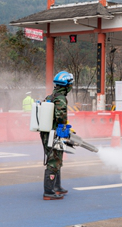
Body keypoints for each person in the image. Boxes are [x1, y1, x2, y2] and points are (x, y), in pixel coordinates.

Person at [40, 71, 73, 200]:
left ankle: (57, 187)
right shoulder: (60, 98)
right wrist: (65, 130)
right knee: (54, 160)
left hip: (46, 132)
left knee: (56, 158)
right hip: (54, 133)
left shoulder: (50, 96)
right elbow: (61, 117)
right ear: (67, 85)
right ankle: (48, 191)